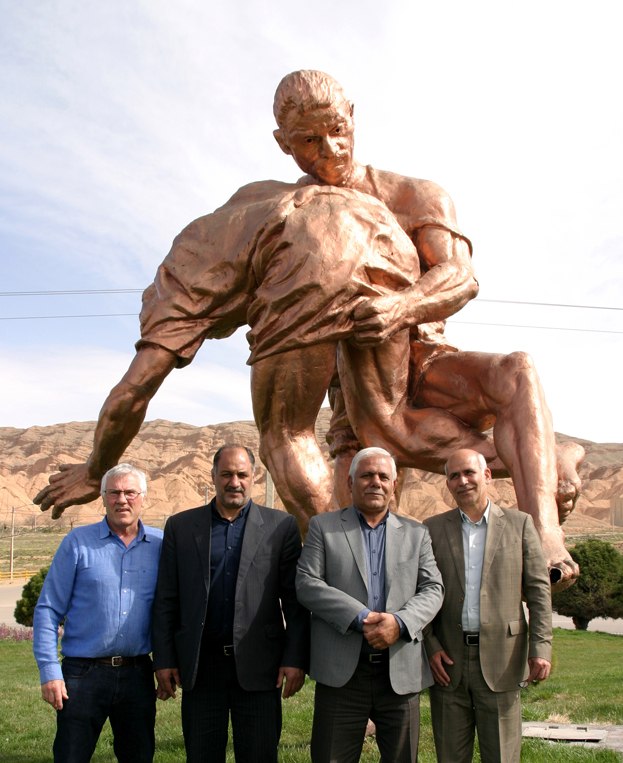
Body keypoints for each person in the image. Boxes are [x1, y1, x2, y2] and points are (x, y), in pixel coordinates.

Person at [33, 70, 582, 585]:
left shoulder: (416, 195)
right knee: (354, 533)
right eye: (309, 141)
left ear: (352, 114)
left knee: (518, 372)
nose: (330, 151)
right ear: (283, 143)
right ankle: (549, 464)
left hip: (424, 356)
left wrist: (400, 309)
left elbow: (461, 278)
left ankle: (547, 539)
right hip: (350, 399)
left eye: (337, 131)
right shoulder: (283, 216)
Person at [152, 444, 309, 763]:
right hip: (201, 670)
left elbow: (294, 602)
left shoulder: (280, 527)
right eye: (227, 474)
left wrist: (295, 658)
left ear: (254, 477)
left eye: (242, 474)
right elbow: (166, 600)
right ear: (213, 475)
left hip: (257, 670)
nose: (234, 482)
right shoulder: (182, 528)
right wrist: (164, 659)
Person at [295, 447, 443, 763]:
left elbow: (433, 588)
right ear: (350, 483)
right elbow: (307, 584)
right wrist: (362, 618)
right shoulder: (324, 527)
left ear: (394, 484)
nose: (375, 482)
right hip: (344, 671)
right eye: (366, 476)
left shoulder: (416, 534)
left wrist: (399, 623)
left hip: (400, 670)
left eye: (383, 476)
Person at [423, 448, 553, 763]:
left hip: (504, 660)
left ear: (487, 475)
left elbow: (538, 590)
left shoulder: (519, 525)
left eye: (469, 472)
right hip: (450, 664)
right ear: (447, 483)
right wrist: (432, 648)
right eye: (453, 475)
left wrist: (542, 646)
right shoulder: (433, 530)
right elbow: (424, 594)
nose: (462, 481)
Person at [32, 464, 163, 763]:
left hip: (138, 674)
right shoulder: (78, 544)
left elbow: (173, 612)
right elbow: (48, 610)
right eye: (113, 493)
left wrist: (167, 666)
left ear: (144, 497)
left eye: (130, 492)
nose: (122, 499)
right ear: (102, 498)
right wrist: (50, 671)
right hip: (82, 677)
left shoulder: (161, 546)